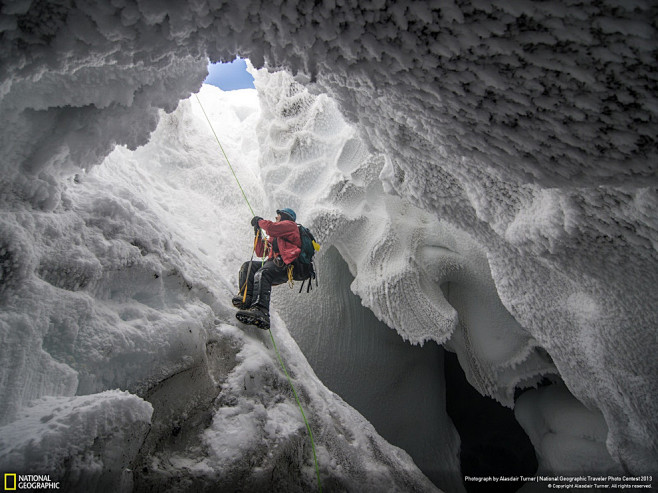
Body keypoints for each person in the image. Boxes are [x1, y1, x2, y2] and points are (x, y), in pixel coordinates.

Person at [233, 208, 301, 329]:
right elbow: (260, 252)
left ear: (285, 216)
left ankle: (261, 311)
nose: (276, 217)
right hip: (275, 264)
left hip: (284, 266)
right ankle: (246, 298)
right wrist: (257, 234)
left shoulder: (291, 226)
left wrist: (259, 221)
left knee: (263, 273)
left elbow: (271, 228)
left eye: (278, 215)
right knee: (248, 266)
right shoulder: (277, 237)